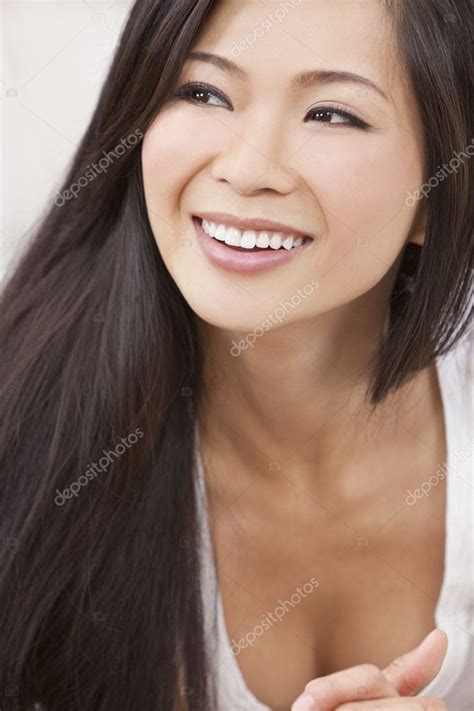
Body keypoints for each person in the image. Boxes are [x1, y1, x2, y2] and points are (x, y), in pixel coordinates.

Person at [0, 1, 472, 709]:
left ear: (440, 191)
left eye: (332, 114)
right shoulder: (26, 438)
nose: (248, 169)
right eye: (202, 92)